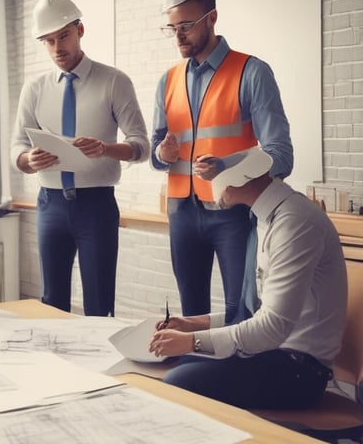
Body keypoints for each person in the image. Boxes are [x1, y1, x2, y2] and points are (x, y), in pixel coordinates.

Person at [149, 147, 347, 410]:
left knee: (181, 382)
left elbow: (272, 327)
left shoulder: (295, 224)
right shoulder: (267, 218)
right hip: (272, 353)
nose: (208, 187)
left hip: (299, 369)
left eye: (213, 177)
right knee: (180, 365)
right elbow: (254, 313)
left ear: (239, 178)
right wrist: (191, 325)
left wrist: (192, 341)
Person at [151, 0, 293, 324]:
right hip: (181, 214)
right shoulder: (167, 81)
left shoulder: (252, 72)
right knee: (190, 317)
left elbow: (281, 155)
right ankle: (193, 380)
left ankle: (239, 379)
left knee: (241, 315)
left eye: (186, 24)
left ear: (212, 17)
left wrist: (226, 166)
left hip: (233, 214)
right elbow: (156, 150)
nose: (179, 35)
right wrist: (162, 155)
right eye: (172, 27)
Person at [10, 0, 150, 316]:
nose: (57, 48)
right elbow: (16, 148)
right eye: (48, 41)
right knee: (52, 303)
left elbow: (141, 145)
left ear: (80, 30)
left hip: (96, 205)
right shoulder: (34, 88)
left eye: (64, 37)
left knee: (99, 303)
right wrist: (28, 160)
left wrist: (106, 149)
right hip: (50, 204)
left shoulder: (115, 81)